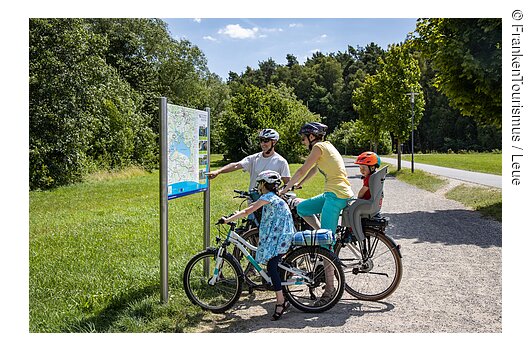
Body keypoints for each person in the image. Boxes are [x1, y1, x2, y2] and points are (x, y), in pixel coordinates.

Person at [279, 122, 354, 306]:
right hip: (336, 192)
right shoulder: (327, 146)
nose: (303, 142)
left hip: (335, 196)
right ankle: (325, 234)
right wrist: (299, 184)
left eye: (304, 138)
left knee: (325, 245)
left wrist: (284, 189)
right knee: (302, 208)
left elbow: (302, 169)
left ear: (312, 137)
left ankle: (330, 290)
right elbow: (312, 170)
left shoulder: (318, 147)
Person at [220, 170, 295, 320]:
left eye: (259, 183)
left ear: (264, 184)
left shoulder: (267, 197)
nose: (258, 186)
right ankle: (282, 294)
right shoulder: (273, 197)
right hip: (281, 236)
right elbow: (252, 207)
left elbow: (249, 210)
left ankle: (281, 302)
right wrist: (236, 213)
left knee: (272, 266)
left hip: (280, 238)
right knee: (274, 265)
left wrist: (227, 220)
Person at [206, 129, 290, 191]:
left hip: (270, 203)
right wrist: (218, 171)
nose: (262, 144)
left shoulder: (281, 162)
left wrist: (279, 193)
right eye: (261, 140)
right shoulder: (254, 158)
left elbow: (287, 184)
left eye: (266, 141)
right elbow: (236, 165)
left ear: (274, 142)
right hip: (253, 200)